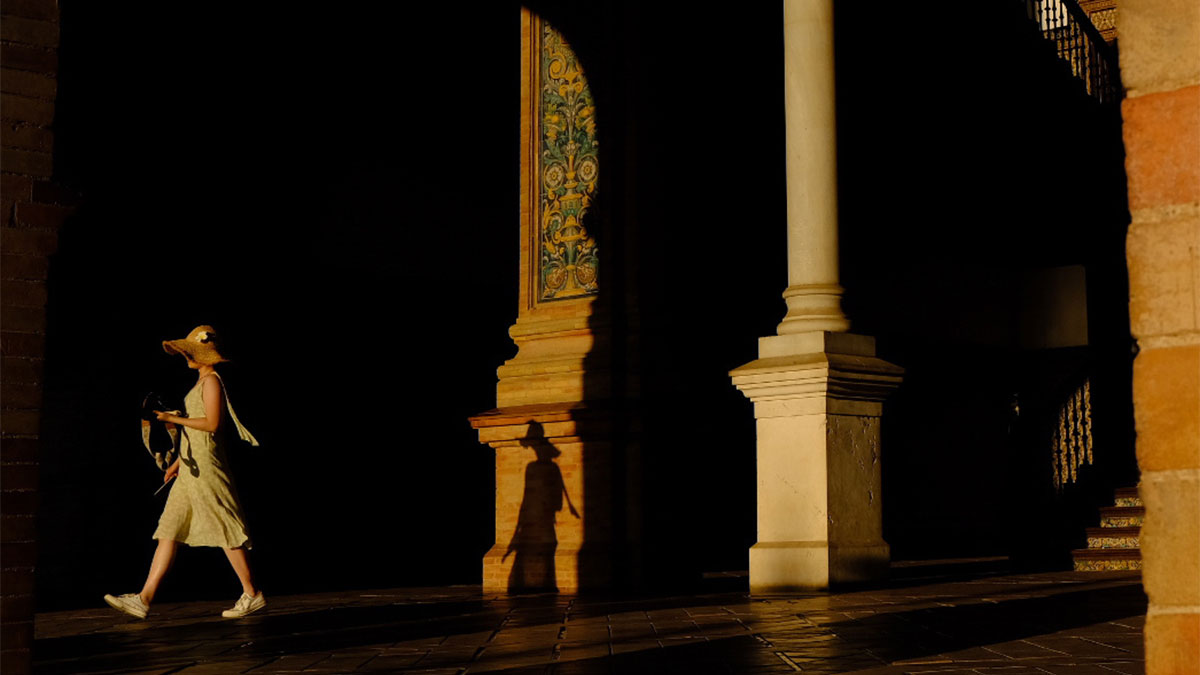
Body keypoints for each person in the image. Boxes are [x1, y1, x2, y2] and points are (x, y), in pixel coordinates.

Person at [104, 325, 264, 619]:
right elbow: (198, 428)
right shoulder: (200, 382)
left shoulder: (212, 382)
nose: (186, 357)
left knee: (224, 525)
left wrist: (170, 419)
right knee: (169, 529)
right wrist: (177, 463)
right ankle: (144, 598)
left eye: (191, 352)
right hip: (191, 468)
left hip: (206, 468)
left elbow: (213, 425)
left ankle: (252, 593)